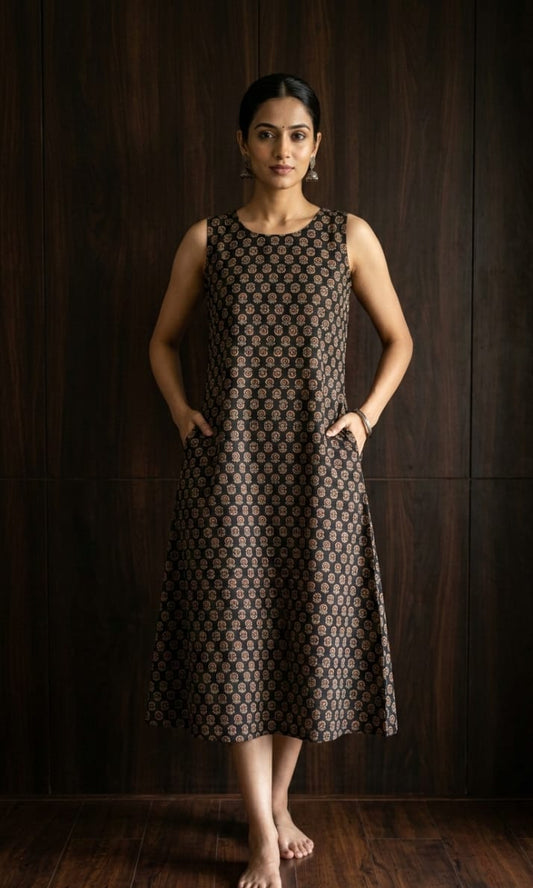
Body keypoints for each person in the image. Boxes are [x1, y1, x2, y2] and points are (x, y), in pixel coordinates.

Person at [145, 73, 413, 888]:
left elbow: (399, 340)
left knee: (303, 642)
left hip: (318, 474)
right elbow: (161, 343)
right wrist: (182, 412)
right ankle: (261, 834)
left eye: (297, 134)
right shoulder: (207, 240)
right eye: (266, 133)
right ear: (241, 143)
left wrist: (361, 417)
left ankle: (279, 802)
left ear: (317, 147)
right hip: (228, 476)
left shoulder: (348, 236)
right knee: (237, 645)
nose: (282, 150)